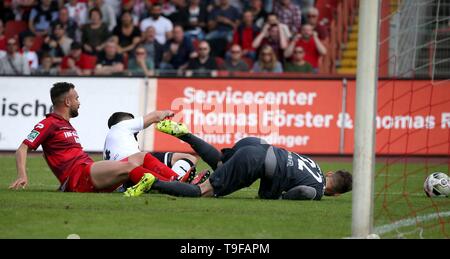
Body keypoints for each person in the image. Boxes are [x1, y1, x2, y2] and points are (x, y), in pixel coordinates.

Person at [8, 82, 178, 197]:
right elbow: (23, 148)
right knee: (129, 166)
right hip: (79, 177)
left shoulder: (66, 125)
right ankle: (174, 188)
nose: (79, 102)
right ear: (67, 101)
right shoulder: (49, 123)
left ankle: (176, 180)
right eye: (76, 98)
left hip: (87, 172)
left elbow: (52, 155)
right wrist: (22, 175)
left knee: (140, 157)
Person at [142, 120, 353, 201]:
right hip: (258, 160)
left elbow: (284, 167)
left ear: (330, 173)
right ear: (335, 194)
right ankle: (154, 182)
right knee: (203, 191)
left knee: (221, 165)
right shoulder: (316, 189)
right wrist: (281, 198)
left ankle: (186, 134)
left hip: (257, 144)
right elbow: (303, 192)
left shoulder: (314, 165)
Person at [104, 111, 200, 183]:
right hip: (135, 165)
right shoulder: (122, 125)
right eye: (133, 121)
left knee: (189, 158)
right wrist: (167, 113)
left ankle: (179, 180)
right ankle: (177, 181)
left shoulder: (110, 141)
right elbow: (155, 116)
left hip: (122, 177)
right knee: (189, 158)